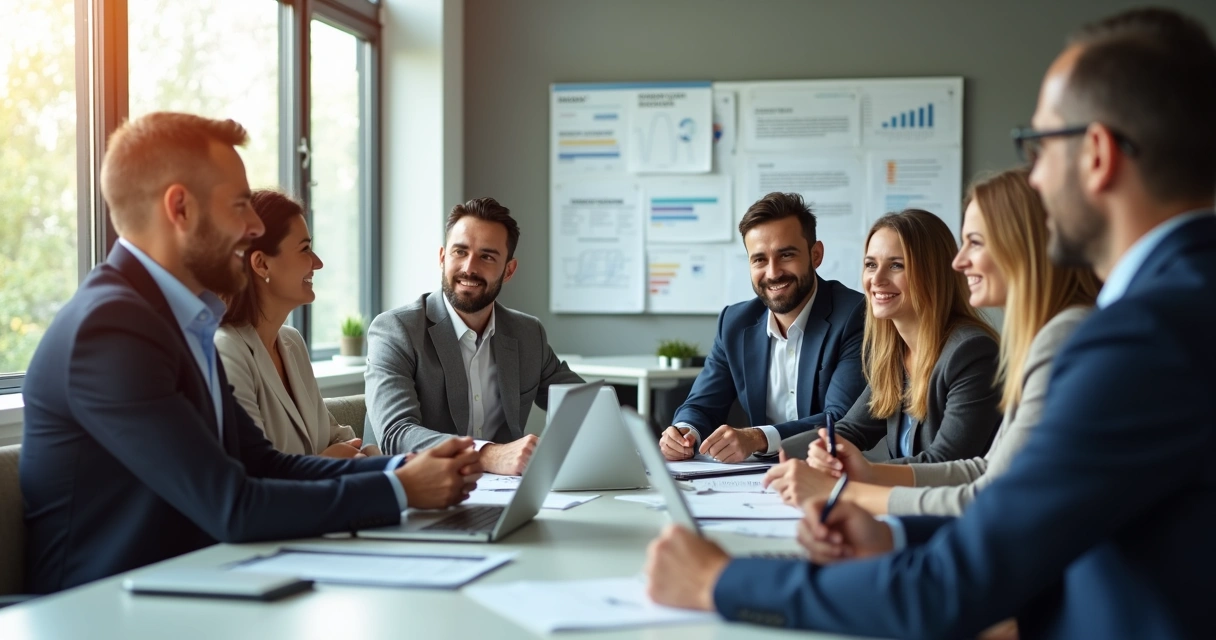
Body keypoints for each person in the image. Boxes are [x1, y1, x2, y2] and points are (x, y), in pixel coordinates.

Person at [644, 8, 1216, 639]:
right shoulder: (1175, 308)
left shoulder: (1140, 340)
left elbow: (955, 586)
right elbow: (1020, 507)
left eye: (1040, 145)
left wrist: (719, 582)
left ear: (1098, 155)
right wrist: (889, 528)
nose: (1036, 177)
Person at [20, 113, 480, 594]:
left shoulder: (178, 320)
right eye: (240, 204)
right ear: (180, 208)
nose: (254, 225)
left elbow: (263, 463)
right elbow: (231, 505)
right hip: (103, 611)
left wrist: (400, 468)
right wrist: (401, 490)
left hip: (194, 587)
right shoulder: (111, 328)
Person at [766, 168, 1100, 515]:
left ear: (1021, 247)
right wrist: (775, 455)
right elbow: (983, 471)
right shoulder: (893, 352)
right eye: (870, 264)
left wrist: (849, 490)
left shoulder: (992, 349)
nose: (960, 261)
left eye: (975, 242)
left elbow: (973, 481)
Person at [365, 197, 583, 475]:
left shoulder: (528, 334)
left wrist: (655, 437)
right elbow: (396, 435)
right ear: (442, 257)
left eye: (487, 256)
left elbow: (586, 405)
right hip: (414, 495)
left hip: (502, 494)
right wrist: (487, 454)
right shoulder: (396, 330)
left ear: (509, 270)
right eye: (460, 252)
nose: (469, 267)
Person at [781, 209, 1002, 465]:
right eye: (871, 265)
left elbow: (944, 463)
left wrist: (858, 472)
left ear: (933, 274)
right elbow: (849, 431)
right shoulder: (894, 353)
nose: (877, 279)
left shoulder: (972, 353)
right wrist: (784, 453)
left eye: (896, 265)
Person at [659, 192, 867, 462]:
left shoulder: (854, 315)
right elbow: (701, 404)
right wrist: (684, 432)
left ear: (815, 255)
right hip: (759, 479)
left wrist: (758, 437)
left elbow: (840, 420)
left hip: (834, 471)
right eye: (759, 259)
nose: (773, 272)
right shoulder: (735, 323)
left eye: (786, 255)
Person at [215, 190, 377, 458]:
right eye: (305, 249)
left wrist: (365, 454)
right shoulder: (226, 351)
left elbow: (334, 435)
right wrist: (330, 461)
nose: (318, 263)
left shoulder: (291, 342)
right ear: (261, 264)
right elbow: (254, 475)